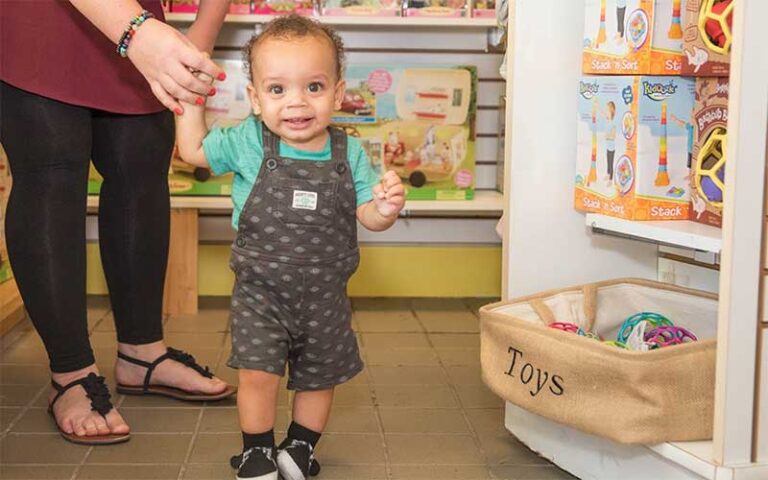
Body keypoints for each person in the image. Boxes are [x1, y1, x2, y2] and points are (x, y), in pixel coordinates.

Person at [175, 15, 405, 480]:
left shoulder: (351, 153)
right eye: (278, 90)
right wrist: (190, 102)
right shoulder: (247, 141)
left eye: (314, 87)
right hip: (260, 294)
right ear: (256, 99)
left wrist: (386, 208)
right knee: (258, 373)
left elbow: (369, 217)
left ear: (338, 93)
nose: (296, 102)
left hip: (326, 295)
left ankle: (300, 446)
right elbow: (195, 151)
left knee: (320, 377)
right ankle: (257, 450)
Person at [0, 0, 235, 446]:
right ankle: (70, 373)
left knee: (142, 168)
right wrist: (138, 33)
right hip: (42, 15)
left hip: (138, 18)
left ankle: (142, 356)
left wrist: (196, 43)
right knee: (51, 174)